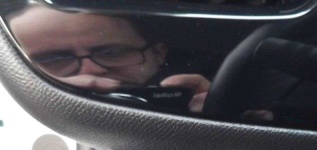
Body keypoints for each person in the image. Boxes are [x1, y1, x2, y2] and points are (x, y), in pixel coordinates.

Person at [7, 4, 211, 113]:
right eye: (53, 60)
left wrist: (214, 118)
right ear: (9, 68)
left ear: (158, 54)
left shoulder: (200, 104)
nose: (90, 71)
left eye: (112, 53)